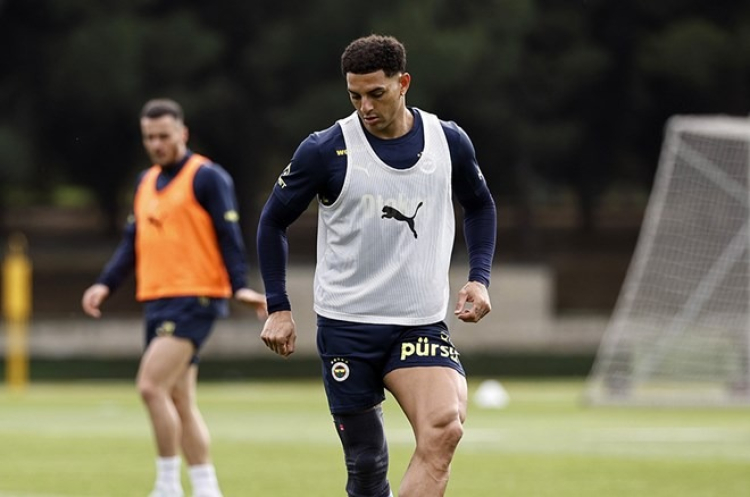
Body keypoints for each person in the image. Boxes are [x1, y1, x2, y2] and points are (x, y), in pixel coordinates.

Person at [256, 34, 497, 497]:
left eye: (376, 93)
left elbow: (480, 204)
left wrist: (479, 278)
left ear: (403, 83)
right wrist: (278, 307)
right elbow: (272, 222)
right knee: (367, 466)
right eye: (355, 96)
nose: (365, 106)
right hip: (347, 326)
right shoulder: (324, 150)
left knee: (444, 429)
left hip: (419, 324)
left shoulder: (448, 141)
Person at [81, 98, 267, 497]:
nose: (157, 144)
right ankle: (206, 487)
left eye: (164, 136)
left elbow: (229, 236)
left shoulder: (208, 177)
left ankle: (167, 485)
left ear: (182, 133)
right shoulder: (144, 182)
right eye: (149, 137)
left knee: (150, 386)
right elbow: (132, 242)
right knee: (180, 398)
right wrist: (105, 284)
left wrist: (239, 286)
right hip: (157, 298)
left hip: (194, 298)